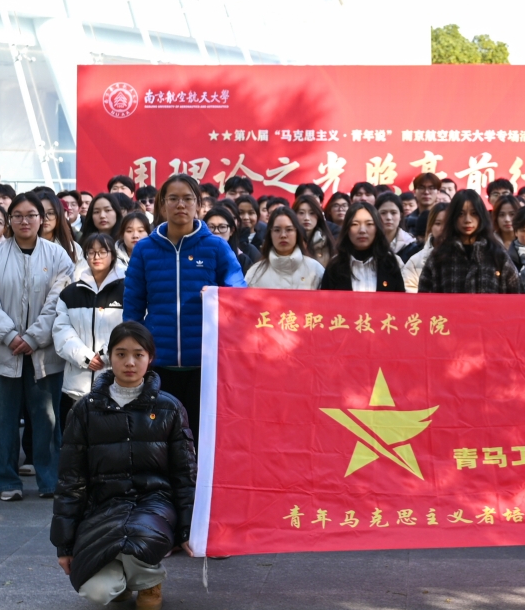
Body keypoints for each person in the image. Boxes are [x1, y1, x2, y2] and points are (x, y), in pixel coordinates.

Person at [52, 321, 196, 610]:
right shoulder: (85, 410)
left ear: (150, 358)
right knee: (98, 591)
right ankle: (124, 576)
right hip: (103, 505)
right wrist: (64, 545)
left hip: (155, 503)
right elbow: (71, 480)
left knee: (138, 533)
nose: (130, 362)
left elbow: (185, 475)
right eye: (121, 354)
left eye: (138, 354)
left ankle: (149, 580)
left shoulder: (169, 408)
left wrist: (187, 529)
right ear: (109, 357)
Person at [121, 174, 246, 427]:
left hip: (205, 364)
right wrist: (136, 350)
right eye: (173, 198)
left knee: (200, 433)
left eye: (188, 198)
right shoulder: (145, 249)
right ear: (162, 204)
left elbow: (239, 296)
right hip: (159, 363)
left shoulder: (216, 247)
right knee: (161, 434)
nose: (181, 204)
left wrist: (218, 296)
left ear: (198, 204)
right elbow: (133, 305)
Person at [0, 191, 76, 502]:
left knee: (47, 420)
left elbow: (59, 301)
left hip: (44, 352)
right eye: (17, 215)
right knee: (1, 420)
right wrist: (9, 336)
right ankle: (4, 480)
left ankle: (50, 480)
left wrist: (33, 337)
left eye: (31, 215)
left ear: (42, 219)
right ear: (9, 220)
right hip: (2, 350)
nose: (24, 221)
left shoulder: (58, 256)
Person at [53, 233, 128, 409]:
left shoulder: (128, 290)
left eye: (102, 251)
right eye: (91, 252)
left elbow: (131, 329)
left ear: (113, 255)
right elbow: (61, 330)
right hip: (79, 382)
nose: (96, 257)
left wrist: (105, 355)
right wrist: (85, 357)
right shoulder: (70, 293)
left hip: (116, 377)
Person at [417, 190, 521, 294]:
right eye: (461, 214)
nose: (467, 220)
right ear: (453, 217)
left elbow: (516, 293)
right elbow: (424, 297)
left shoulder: (497, 254)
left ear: (481, 216)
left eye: (474, 213)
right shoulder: (439, 256)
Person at [321, 202, 406, 292]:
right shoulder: (334, 266)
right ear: (347, 229)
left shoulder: (391, 263)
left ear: (377, 228)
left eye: (369, 224)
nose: (362, 230)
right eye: (355, 224)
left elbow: (401, 298)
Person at [246, 208, 327, 290]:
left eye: (289, 230)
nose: (283, 235)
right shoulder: (255, 274)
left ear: (297, 233)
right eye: (277, 230)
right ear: (270, 234)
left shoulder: (315, 270)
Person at [401, 202, 451, 293]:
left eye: (448, 224)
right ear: (430, 227)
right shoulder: (415, 262)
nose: (443, 229)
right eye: (438, 223)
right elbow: (410, 293)